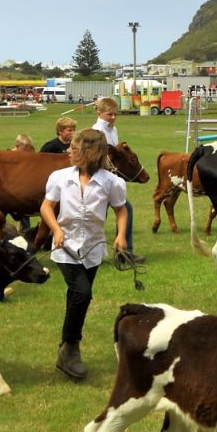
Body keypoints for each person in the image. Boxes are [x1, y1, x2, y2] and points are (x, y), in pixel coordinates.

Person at [40, 128, 128, 380]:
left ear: (90, 152)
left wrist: (120, 235)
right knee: (82, 292)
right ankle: (71, 348)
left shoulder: (111, 183)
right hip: (65, 247)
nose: (68, 151)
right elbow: (46, 206)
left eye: (74, 149)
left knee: (78, 298)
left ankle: (65, 349)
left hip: (92, 248)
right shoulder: (59, 177)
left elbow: (121, 211)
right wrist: (55, 229)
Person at [90, 97, 140, 263]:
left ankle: (123, 251)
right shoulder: (97, 131)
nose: (112, 117)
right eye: (109, 114)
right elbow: (99, 157)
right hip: (98, 179)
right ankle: (95, 252)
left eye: (115, 114)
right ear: (99, 113)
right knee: (99, 215)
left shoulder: (113, 130)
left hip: (110, 179)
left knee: (126, 209)